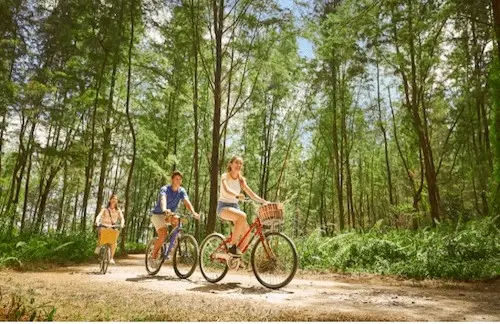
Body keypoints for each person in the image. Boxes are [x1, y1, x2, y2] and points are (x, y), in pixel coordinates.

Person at [217, 156, 268, 257]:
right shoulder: (225, 176)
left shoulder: (241, 180)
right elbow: (226, 189)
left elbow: (251, 193)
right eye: (236, 162)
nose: (239, 165)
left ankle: (235, 256)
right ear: (230, 164)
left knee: (248, 234)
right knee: (243, 215)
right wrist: (236, 195)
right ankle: (232, 246)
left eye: (240, 163)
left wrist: (263, 201)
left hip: (235, 208)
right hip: (223, 207)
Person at [150, 170, 200, 259]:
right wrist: (164, 209)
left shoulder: (181, 191)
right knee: (163, 234)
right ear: (172, 180)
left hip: (170, 214)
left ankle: (171, 245)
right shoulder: (165, 189)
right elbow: (163, 199)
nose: (178, 181)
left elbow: (187, 202)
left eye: (180, 179)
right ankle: (154, 254)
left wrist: (193, 212)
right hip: (158, 214)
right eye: (176, 179)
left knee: (178, 223)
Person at [95, 193, 125, 264]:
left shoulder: (118, 210)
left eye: (115, 199)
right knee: (101, 239)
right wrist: (97, 221)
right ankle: (99, 248)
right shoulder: (105, 209)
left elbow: (122, 218)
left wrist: (122, 224)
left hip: (112, 227)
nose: (114, 200)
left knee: (114, 242)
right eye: (113, 199)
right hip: (103, 226)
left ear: (117, 201)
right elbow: (99, 216)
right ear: (110, 200)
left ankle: (111, 258)